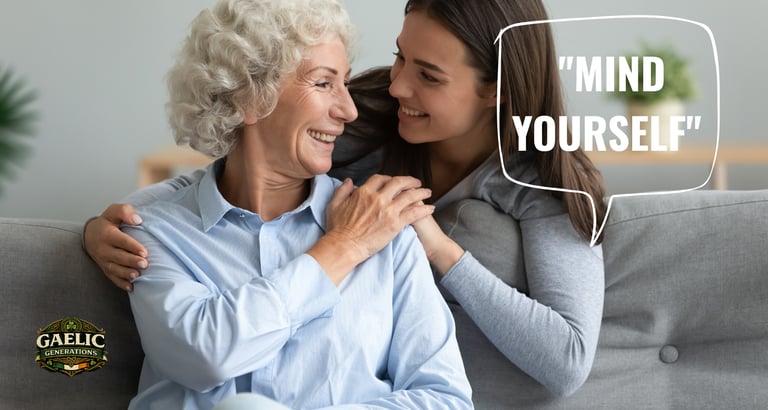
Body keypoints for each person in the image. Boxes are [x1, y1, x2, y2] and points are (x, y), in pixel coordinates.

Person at [85, 0, 606, 401]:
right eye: (402, 56)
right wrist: (111, 224)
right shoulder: (376, 114)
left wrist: (436, 248)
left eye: (428, 75)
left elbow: (565, 360)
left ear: (496, 90)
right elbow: (243, 153)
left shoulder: (547, 182)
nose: (396, 84)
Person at [114, 0, 473, 408]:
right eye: (323, 84)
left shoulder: (386, 232)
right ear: (247, 96)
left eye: (346, 84)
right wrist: (342, 248)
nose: (349, 109)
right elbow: (204, 356)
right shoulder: (154, 232)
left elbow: (447, 399)